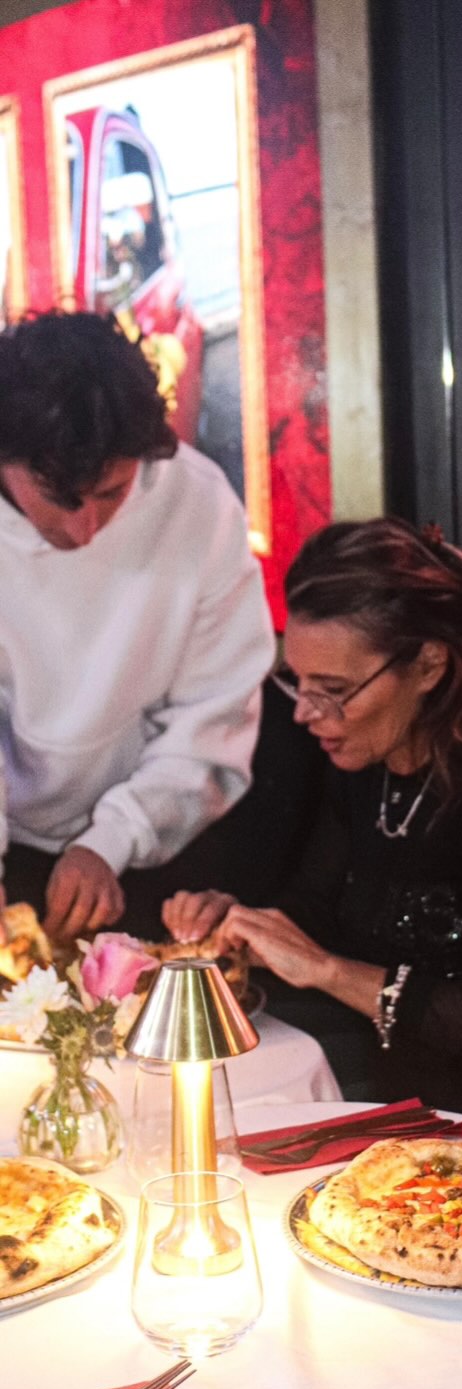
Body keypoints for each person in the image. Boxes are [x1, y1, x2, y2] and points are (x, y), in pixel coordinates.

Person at [162, 516, 462, 1121]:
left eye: (332, 690)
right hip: (386, 1104)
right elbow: (314, 912)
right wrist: (235, 923)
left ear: (429, 665)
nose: (306, 714)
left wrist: (330, 972)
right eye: (298, 682)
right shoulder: (368, 766)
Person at [0, 308, 275, 940]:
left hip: (156, 842)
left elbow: (214, 718)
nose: (85, 529)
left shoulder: (198, 505)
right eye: (61, 500)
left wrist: (111, 840)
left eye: (112, 494)